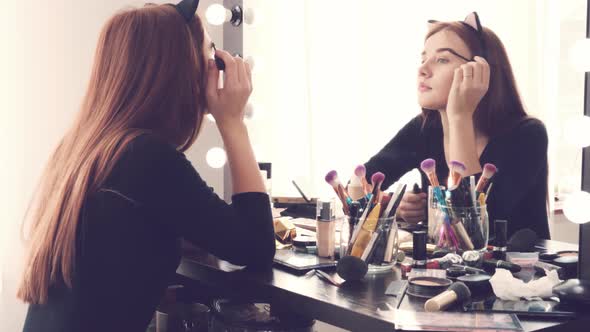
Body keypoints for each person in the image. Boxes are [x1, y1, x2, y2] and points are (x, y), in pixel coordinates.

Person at [18, 1, 275, 331]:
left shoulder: (85, 150)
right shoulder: (146, 157)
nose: (214, 67)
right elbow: (254, 246)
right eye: (210, 55)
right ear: (182, 70)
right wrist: (233, 123)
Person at [364, 12, 550, 239]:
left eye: (442, 59)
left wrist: (460, 117)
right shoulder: (424, 129)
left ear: (481, 72)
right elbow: (358, 185)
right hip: (446, 271)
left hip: (519, 271)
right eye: (423, 58)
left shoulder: (528, 135)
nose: (423, 69)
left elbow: (473, 231)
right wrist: (395, 205)